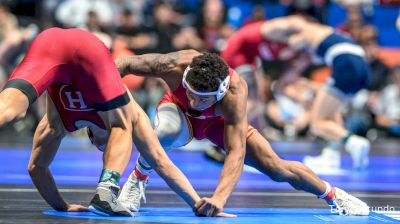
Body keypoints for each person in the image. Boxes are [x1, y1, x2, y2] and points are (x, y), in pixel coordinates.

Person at [0, 28, 226, 218]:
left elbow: (37, 168)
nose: (106, 149)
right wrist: (62, 205)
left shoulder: (57, 122)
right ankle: (106, 192)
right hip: (81, 48)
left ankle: (105, 193)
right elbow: (158, 159)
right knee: (11, 110)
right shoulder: (126, 113)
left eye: (105, 147)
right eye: (107, 148)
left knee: (13, 107)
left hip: (51, 43)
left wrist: (62, 206)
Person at [114, 50, 370, 216]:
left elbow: (236, 152)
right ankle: (137, 178)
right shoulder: (172, 65)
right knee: (166, 131)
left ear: (222, 90)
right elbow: (121, 64)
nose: (194, 101)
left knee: (277, 169)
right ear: (186, 78)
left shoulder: (236, 92)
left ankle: (335, 195)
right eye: (190, 92)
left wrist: (219, 198)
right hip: (176, 111)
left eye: (203, 98)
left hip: (219, 123)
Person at [259, 15, 371, 170]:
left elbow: (290, 47)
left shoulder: (305, 29)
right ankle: (331, 154)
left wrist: (281, 49)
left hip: (345, 63)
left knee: (317, 123)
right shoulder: (328, 33)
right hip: (362, 66)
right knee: (331, 114)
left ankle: (353, 142)